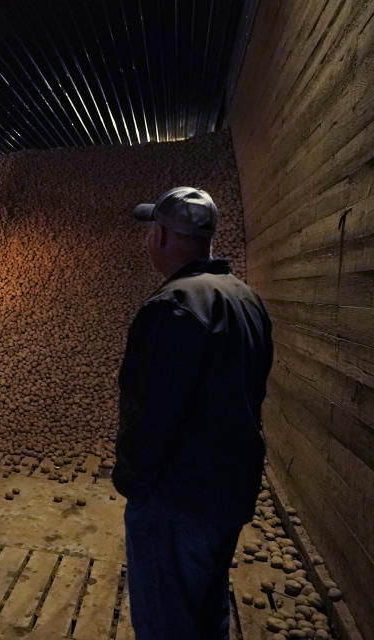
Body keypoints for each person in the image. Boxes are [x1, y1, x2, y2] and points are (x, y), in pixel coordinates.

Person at [112, 186, 273, 639]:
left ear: (163, 237)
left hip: (177, 500)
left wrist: (134, 486)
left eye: (151, 231)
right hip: (228, 492)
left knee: (167, 622)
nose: (147, 241)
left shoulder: (173, 307)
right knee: (206, 612)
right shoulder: (245, 299)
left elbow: (152, 414)